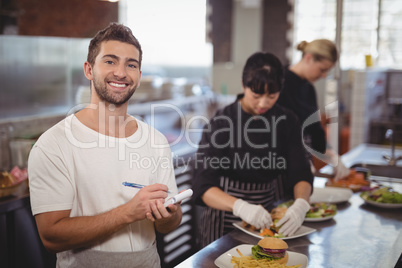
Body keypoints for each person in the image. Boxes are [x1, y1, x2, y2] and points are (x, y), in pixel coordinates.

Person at [28, 23, 182, 268]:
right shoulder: (53, 144)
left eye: (131, 64)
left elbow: (169, 225)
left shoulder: (156, 141)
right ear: (89, 70)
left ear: (139, 76)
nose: (121, 73)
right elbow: (51, 236)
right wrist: (128, 212)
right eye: (110, 61)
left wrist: (168, 216)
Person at [192, 52, 313, 247]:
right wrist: (240, 207)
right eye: (256, 95)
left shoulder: (287, 120)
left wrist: (301, 205)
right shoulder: (222, 123)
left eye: (271, 96)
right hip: (223, 219)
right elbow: (202, 186)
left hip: (270, 215)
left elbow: (301, 172)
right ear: (243, 85)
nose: (263, 103)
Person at [277, 39, 349, 180]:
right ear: (308, 58)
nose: (323, 76)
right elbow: (277, 133)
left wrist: (332, 155)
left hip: (302, 169)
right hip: (281, 167)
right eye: (323, 69)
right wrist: (295, 160)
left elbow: (315, 131)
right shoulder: (280, 83)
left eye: (327, 71)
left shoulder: (308, 89)